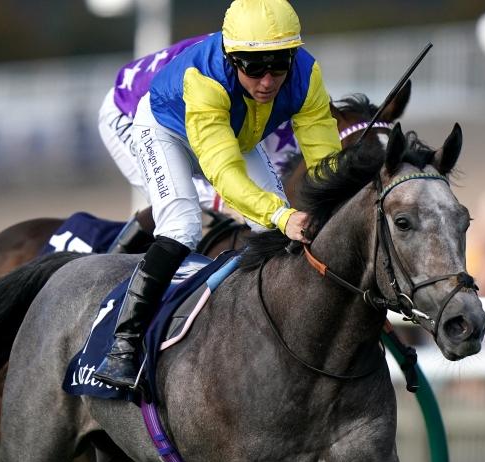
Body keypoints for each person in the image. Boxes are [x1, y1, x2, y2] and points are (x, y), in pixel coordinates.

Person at [93, 0, 342, 389]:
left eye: (278, 65)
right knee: (182, 226)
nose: (267, 81)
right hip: (165, 130)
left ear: (293, 57)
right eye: (253, 67)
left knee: (271, 229)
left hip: (236, 133)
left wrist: (338, 199)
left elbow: (326, 160)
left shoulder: (306, 75)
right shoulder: (205, 78)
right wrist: (282, 216)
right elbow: (223, 174)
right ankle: (122, 345)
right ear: (231, 59)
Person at [97, 32, 303, 248]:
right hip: (129, 112)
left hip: (191, 111)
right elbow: (216, 164)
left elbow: (280, 175)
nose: (269, 81)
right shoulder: (214, 79)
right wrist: (225, 203)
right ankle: (116, 258)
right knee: (185, 209)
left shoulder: (276, 76)